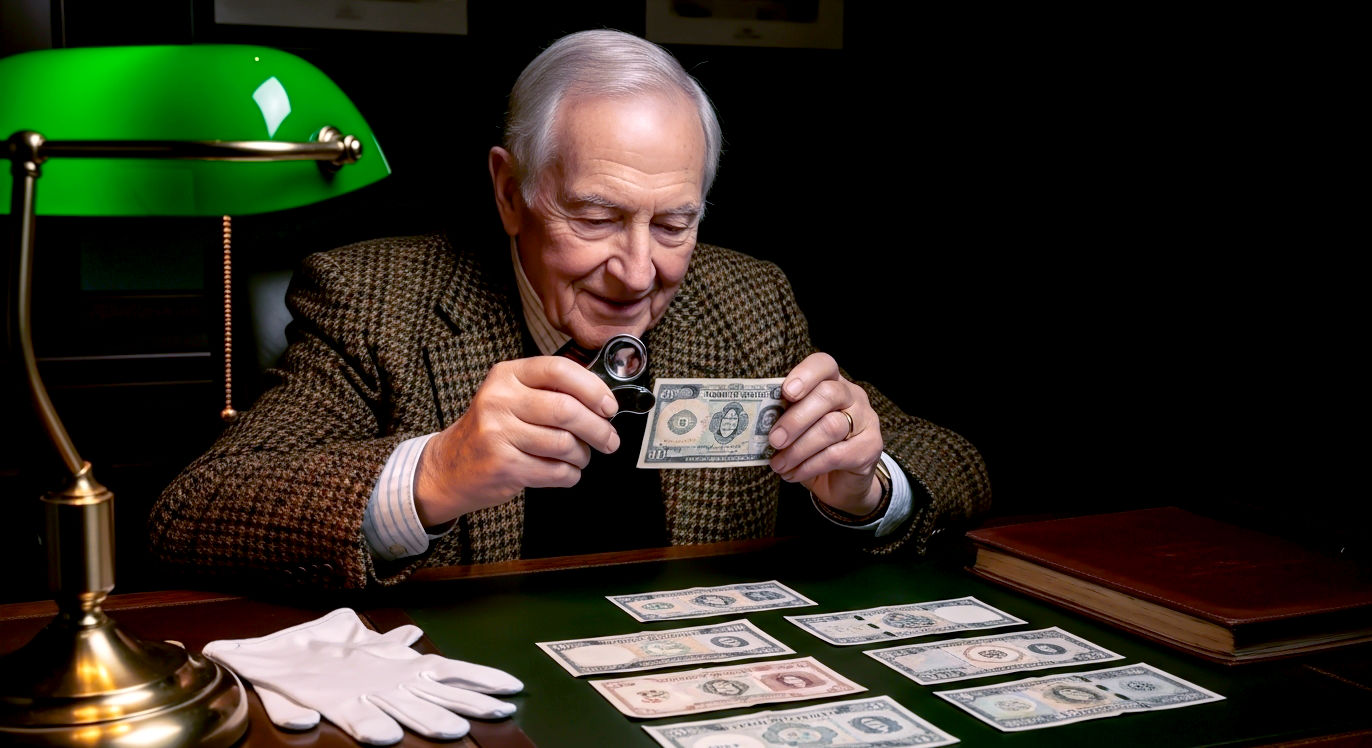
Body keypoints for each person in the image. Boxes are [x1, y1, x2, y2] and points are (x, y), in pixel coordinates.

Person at [149, 29, 991, 590]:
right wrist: (435, 472)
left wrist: (866, 486)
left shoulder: (747, 297)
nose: (638, 272)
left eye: (674, 223)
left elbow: (957, 464)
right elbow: (193, 513)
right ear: (510, 192)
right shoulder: (376, 301)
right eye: (594, 218)